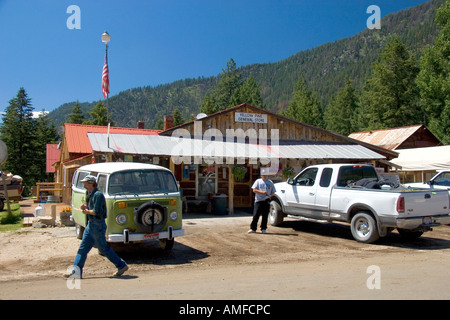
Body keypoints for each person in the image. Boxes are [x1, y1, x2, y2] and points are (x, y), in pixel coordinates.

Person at [64, 175, 128, 279]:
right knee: (83, 249)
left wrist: (86, 211)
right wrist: (86, 208)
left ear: (90, 183)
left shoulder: (98, 195)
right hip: (91, 224)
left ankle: (121, 265)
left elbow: (96, 212)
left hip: (97, 224)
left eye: (85, 183)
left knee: (103, 249)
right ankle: (76, 272)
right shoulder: (92, 194)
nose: (84, 185)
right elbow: (93, 209)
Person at [248, 168, 276, 234]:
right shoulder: (258, 181)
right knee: (255, 215)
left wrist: (270, 196)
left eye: (266, 175)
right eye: (263, 175)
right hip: (258, 200)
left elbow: (273, 192)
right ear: (261, 175)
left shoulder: (270, 182)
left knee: (265, 215)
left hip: (266, 200)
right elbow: (254, 190)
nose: (265, 176)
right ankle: (253, 228)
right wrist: (262, 192)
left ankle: (263, 228)